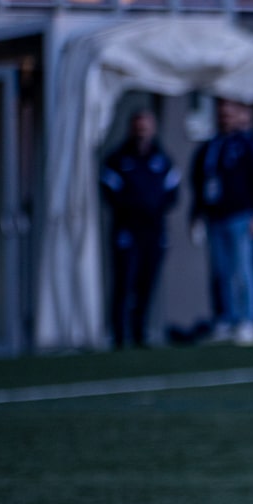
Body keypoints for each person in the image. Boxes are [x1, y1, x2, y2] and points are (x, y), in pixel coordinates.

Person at [189, 98, 253, 346]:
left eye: (229, 114)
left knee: (243, 269)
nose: (225, 119)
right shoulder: (211, 146)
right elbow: (198, 182)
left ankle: (249, 319)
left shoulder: (247, 144)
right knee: (220, 272)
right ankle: (226, 318)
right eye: (221, 114)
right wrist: (196, 214)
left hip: (240, 215)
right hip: (215, 216)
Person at [99, 110, 181, 348]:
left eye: (146, 127)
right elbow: (110, 191)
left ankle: (140, 331)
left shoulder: (161, 159)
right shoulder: (118, 159)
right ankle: (118, 334)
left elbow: (172, 192)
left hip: (153, 230)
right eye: (138, 127)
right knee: (125, 282)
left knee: (147, 283)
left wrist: (154, 208)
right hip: (127, 230)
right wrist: (135, 207)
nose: (142, 132)